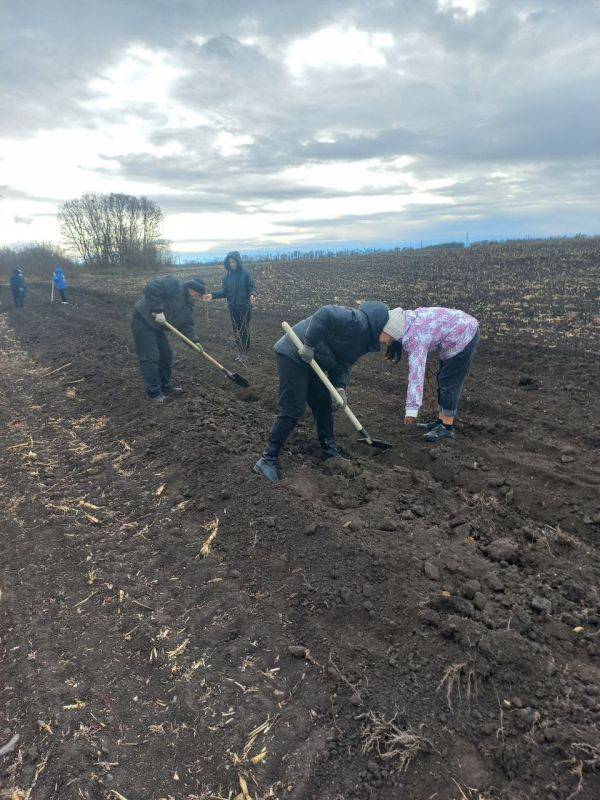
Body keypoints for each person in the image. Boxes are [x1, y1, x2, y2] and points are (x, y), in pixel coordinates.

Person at [254, 301, 390, 482]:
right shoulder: (356, 320)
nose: (390, 339)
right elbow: (325, 313)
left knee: (323, 404)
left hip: (313, 361)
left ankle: (330, 453)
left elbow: (343, 363)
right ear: (379, 324)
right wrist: (309, 345)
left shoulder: (366, 341)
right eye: (389, 333)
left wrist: (340, 387)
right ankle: (267, 459)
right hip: (295, 352)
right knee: (293, 408)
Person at [380, 306, 480, 442]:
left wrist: (411, 410)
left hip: (464, 334)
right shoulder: (405, 323)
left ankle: (447, 427)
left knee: (449, 383)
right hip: (455, 331)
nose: (378, 336)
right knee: (442, 378)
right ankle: (440, 421)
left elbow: (416, 374)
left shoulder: (416, 336)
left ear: (391, 331)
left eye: (381, 332)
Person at [132, 275, 206, 404]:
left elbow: (186, 325)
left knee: (166, 355)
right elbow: (152, 287)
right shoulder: (174, 284)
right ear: (192, 290)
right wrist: (158, 310)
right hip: (143, 320)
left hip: (156, 326)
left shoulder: (188, 306)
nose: (198, 299)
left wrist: (195, 341)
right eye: (198, 295)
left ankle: (165, 386)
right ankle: (154, 392)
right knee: (151, 356)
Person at [203, 251, 256, 363]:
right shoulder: (227, 276)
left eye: (233, 261)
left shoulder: (246, 274)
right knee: (236, 330)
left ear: (238, 261)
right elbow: (224, 292)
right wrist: (212, 295)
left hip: (244, 308)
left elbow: (252, 287)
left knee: (244, 330)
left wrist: (252, 294)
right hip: (232, 307)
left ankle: (245, 352)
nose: (231, 264)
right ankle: (240, 351)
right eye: (230, 262)